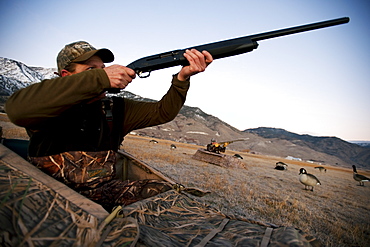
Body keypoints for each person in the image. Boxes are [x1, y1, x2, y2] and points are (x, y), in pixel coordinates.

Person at [5, 41, 213, 211]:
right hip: (49, 196)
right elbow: (16, 110)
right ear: (67, 77)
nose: (103, 74)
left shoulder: (115, 108)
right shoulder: (45, 103)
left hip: (104, 193)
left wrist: (182, 78)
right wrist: (100, 78)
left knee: (170, 196)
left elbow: (163, 112)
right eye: (91, 70)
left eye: (103, 69)